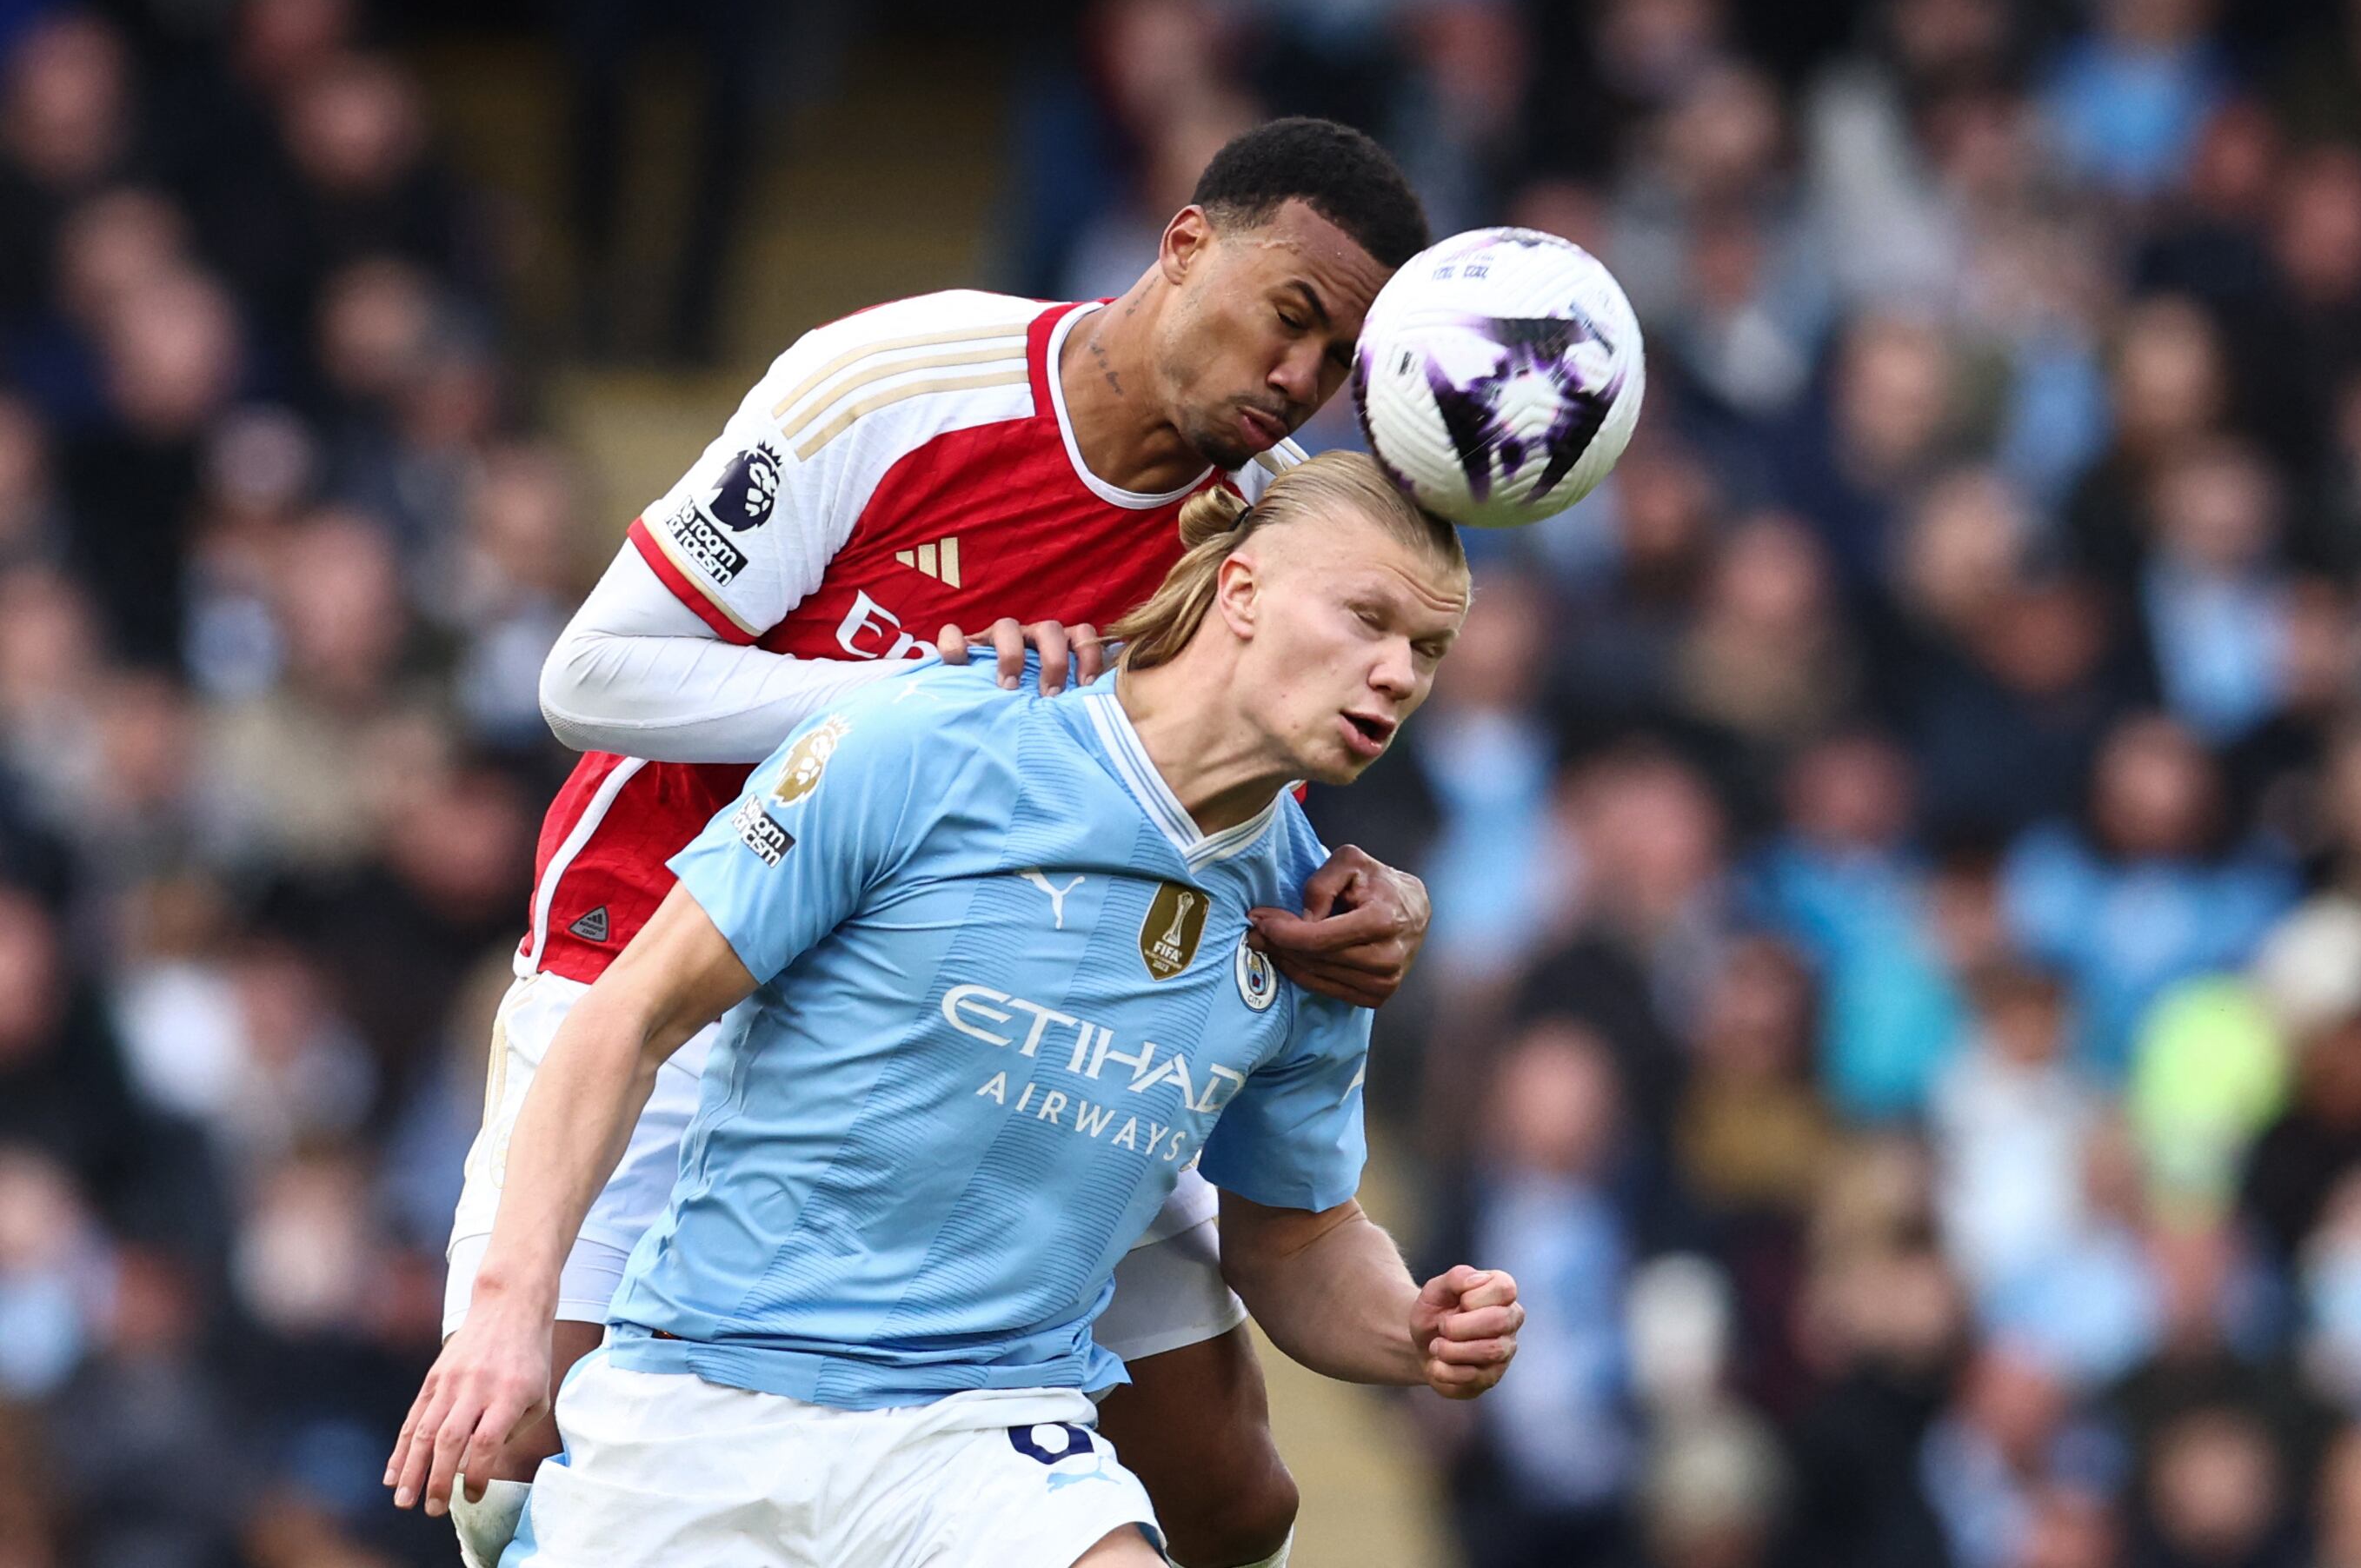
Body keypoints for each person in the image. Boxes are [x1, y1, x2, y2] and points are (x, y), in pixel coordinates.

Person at [436, 115, 1437, 1568]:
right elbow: (588, 678)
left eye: (1336, 361)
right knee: (512, 1464)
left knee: (1233, 1496)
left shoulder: (1249, 530)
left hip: (959, 991)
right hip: (663, 949)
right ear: (1184, 245)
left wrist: (1366, 884)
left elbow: (1203, 757)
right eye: (1291, 317)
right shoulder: (907, 379)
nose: (1298, 380)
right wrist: (928, 690)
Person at [389, 452, 1523, 1567]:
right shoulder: (937, 741)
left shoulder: (1322, 926)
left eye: (1426, 650)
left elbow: (1301, 1237)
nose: (1395, 674)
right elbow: (628, 1015)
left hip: (984, 1430)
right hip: (709, 1402)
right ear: (1242, 590)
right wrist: (505, 1313)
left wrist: (1411, 1330)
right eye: (1365, 619)